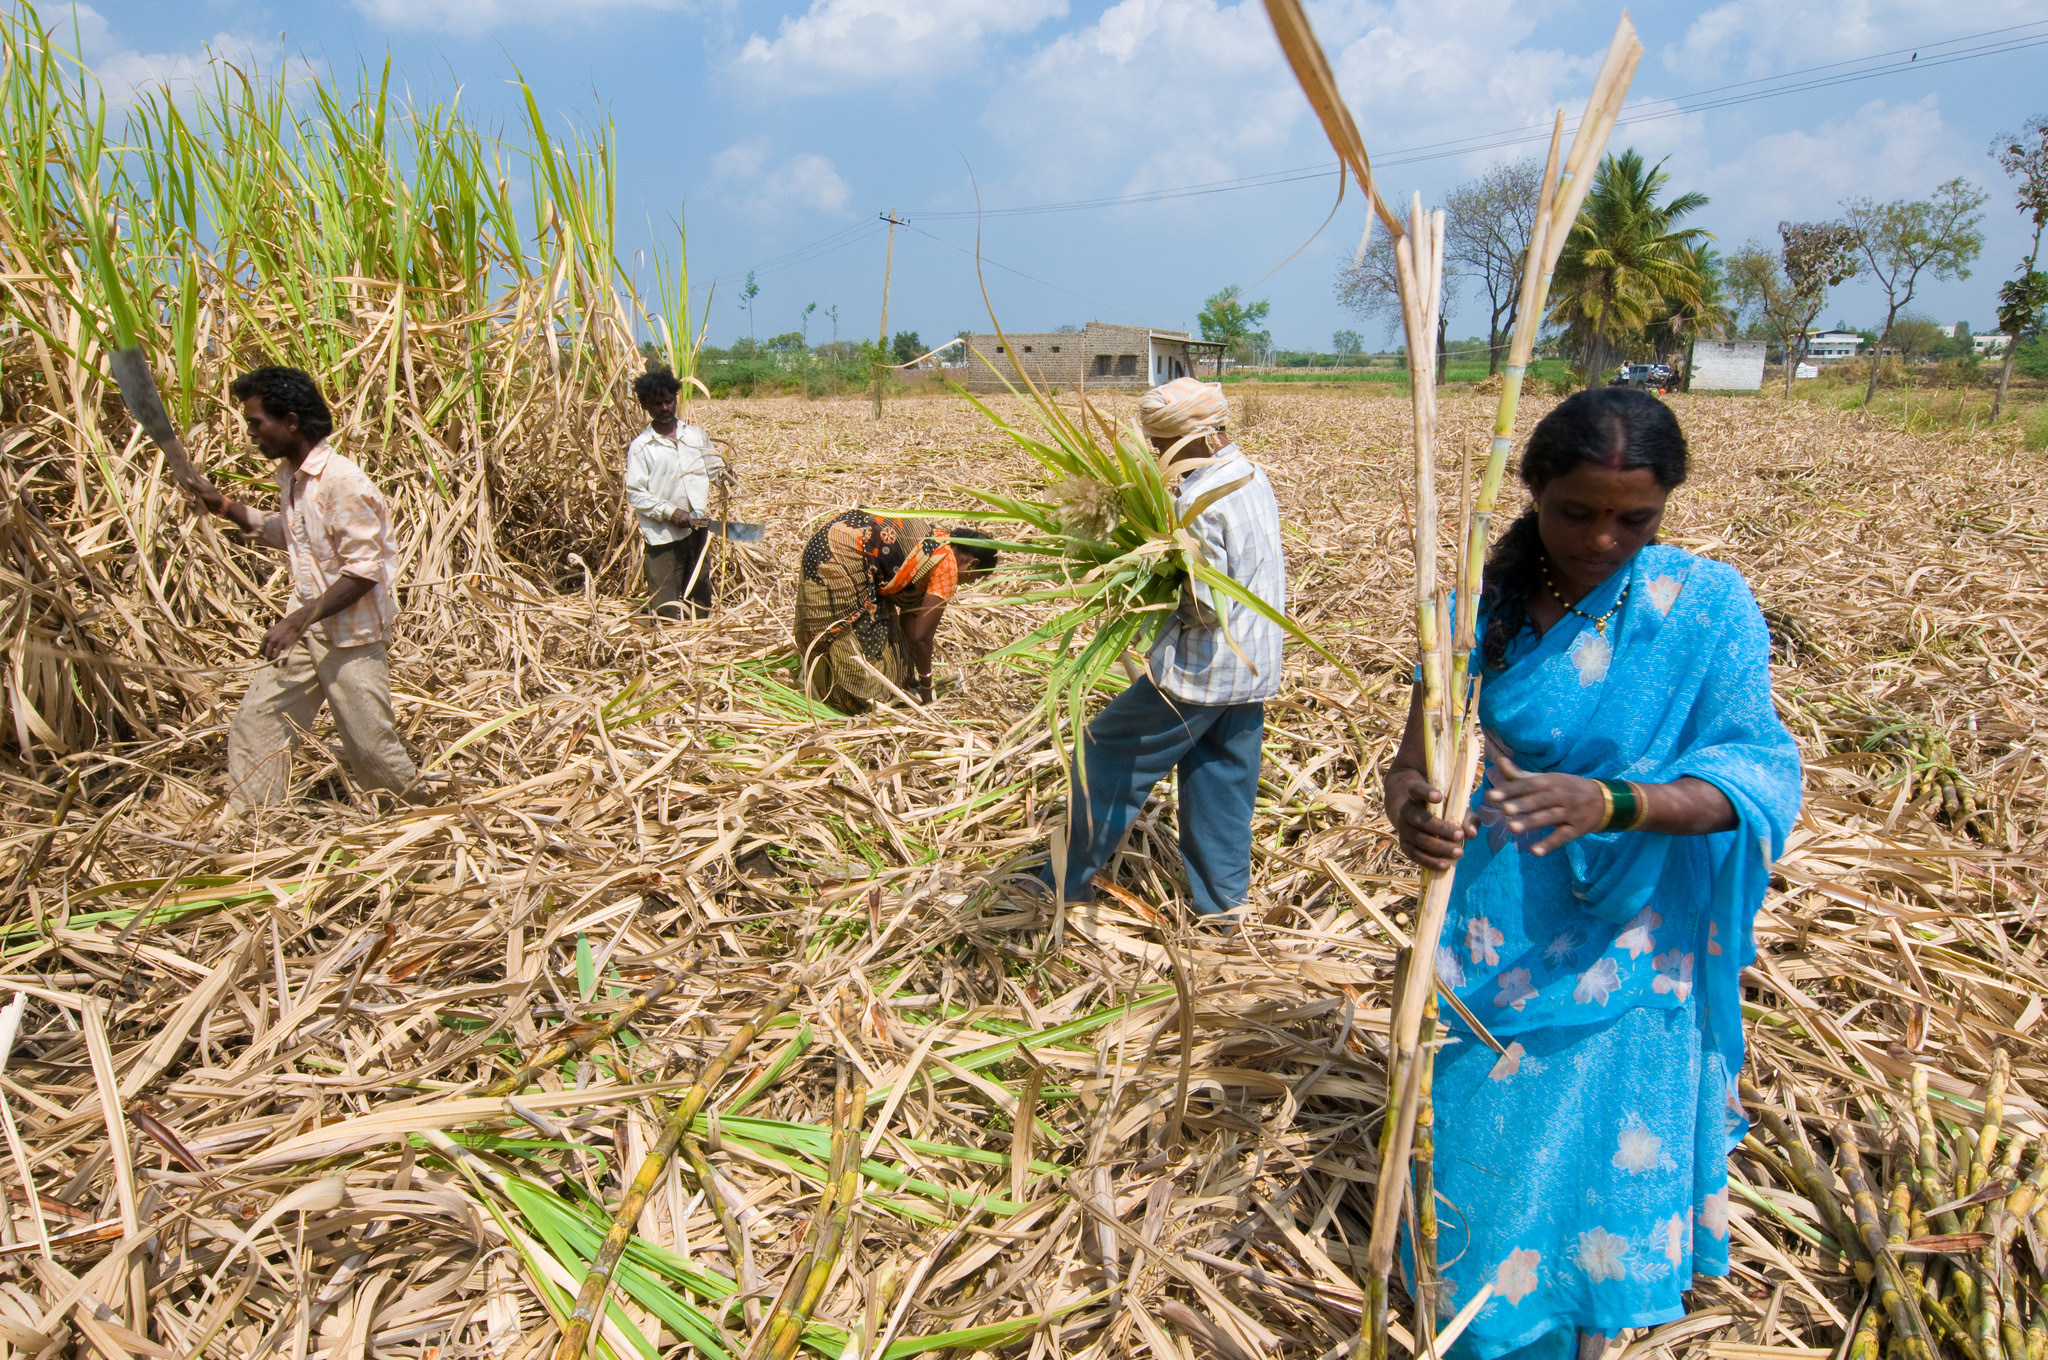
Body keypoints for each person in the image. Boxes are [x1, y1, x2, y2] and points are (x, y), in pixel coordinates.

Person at [1384, 387, 1803, 1360]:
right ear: (1532, 491)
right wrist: (1411, 810)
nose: (1602, 538)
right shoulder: (1472, 612)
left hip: (1632, 952)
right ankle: (1482, 1335)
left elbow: (1753, 771)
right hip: (1491, 937)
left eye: (1633, 517)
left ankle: (1568, 1333)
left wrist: (1613, 801)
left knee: (1592, 1175)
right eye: (1576, 511)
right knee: (1479, 1157)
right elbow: (1410, 761)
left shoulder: (1703, 609)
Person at [1038, 376, 1286, 921]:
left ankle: (1063, 881)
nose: (1156, 454)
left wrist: (1141, 589)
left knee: (1104, 755)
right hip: (1254, 667)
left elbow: (1204, 602)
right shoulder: (1249, 474)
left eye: (1160, 444)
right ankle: (1223, 911)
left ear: (1188, 436)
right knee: (1221, 778)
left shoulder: (1200, 498)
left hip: (1202, 671)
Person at [174, 366, 420, 809]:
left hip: (350, 636)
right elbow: (294, 535)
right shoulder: (294, 478)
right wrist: (224, 506)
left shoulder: (341, 481)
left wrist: (296, 619)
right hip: (309, 626)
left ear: (290, 422)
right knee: (259, 719)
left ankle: (425, 819)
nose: (251, 434)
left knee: (371, 750)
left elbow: (364, 571)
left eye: (256, 423)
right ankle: (251, 828)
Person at [793, 512, 997, 710]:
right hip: (843, 550)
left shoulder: (938, 542)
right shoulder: (948, 566)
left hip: (833, 534)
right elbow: (921, 638)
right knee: (854, 635)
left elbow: (910, 624)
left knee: (885, 630)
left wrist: (911, 674)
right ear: (972, 565)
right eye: (975, 578)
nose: (969, 583)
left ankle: (834, 688)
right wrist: (926, 683)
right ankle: (851, 700)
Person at [625, 366, 726, 619]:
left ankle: (701, 641)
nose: (664, 408)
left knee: (699, 595)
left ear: (675, 399)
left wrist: (725, 475)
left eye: (668, 401)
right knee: (665, 603)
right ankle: (668, 647)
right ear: (645, 406)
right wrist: (671, 512)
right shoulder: (642, 447)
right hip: (663, 535)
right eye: (656, 404)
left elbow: (714, 469)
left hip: (697, 526)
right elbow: (636, 493)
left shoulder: (695, 436)